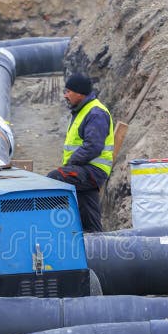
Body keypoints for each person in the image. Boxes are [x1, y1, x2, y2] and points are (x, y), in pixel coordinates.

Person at [46, 73, 114, 233]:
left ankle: (55, 229)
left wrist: (70, 165)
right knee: (89, 219)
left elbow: (93, 147)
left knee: (55, 178)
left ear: (79, 93)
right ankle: (96, 246)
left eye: (68, 91)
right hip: (85, 170)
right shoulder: (83, 111)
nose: (65, 95)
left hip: (91, 170)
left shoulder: (95, 113)